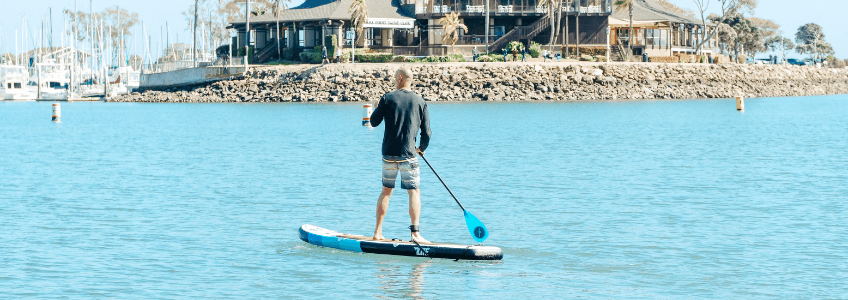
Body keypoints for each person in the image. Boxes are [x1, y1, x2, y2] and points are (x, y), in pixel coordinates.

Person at [369, 67, 432, 243]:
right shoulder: (420, 101)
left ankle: (377, 233)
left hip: (388, 153)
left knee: (386, 191)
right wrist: (422, 148)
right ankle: (415, 234)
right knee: (414, 191)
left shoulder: (387, 98)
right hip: (409, 154)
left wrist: (377, 106)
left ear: (401, 78)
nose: (393, 80)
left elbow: (373, 122)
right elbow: (427, 132)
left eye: (395, 77)